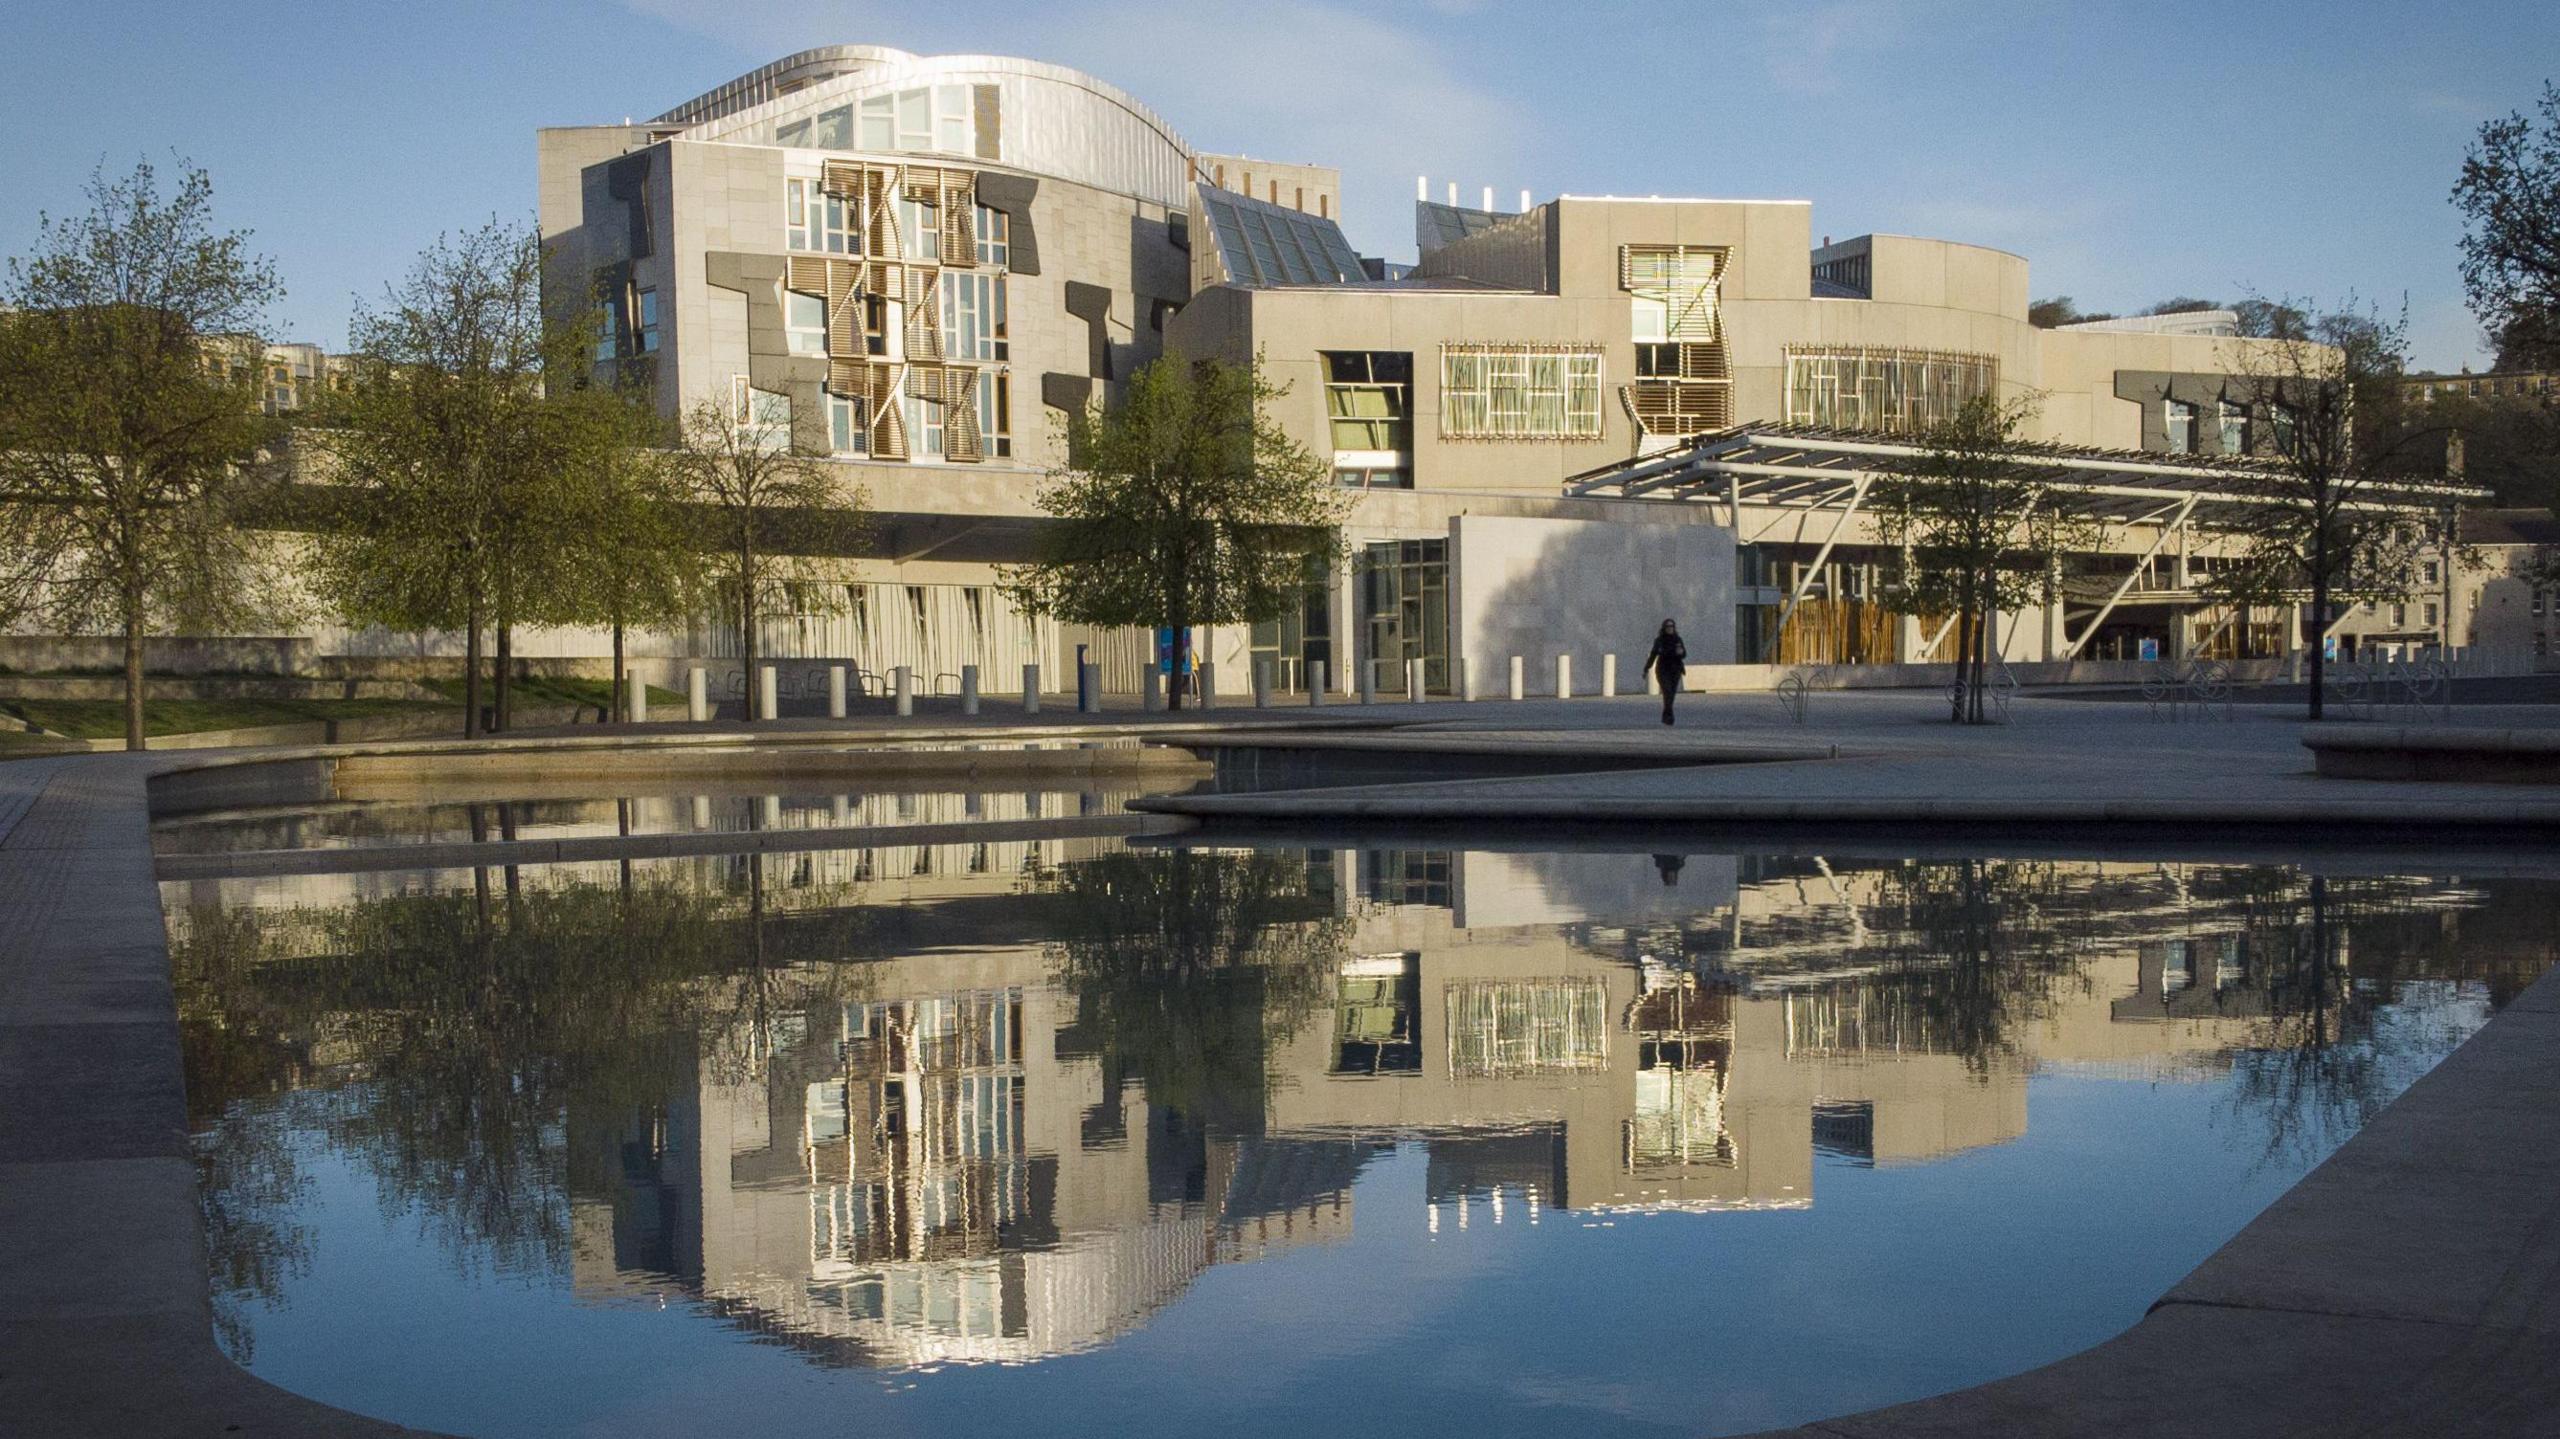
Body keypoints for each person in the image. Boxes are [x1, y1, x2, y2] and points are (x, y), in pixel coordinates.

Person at [1644, 619, 1687, 725]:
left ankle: (1666, 715)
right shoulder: (1659, 640)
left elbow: (1684, 654)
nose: (1670, 628)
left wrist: (1681, 653)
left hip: (1675, 669)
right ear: (1664, 628)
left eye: (1672, 626)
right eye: (1668, 627)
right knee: (1667, 691)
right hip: (1663, 669)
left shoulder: (1678, 639)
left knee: (1671, 693)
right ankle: (1669, 716)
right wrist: (1647, 668)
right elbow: (1653, 655)